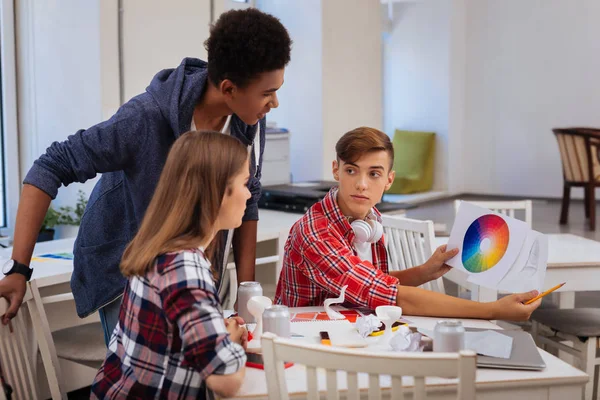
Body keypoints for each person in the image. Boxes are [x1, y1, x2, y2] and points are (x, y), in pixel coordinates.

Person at [0, 8, 292, 346]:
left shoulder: (248, 119)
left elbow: (249, 198)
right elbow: (50, 166)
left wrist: (246, 295)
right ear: (228, 88)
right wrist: (18, 269)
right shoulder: (142, 119)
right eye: (267, 92)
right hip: (127, 270)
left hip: (193, 268)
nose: (275, 102)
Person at [275, 127, 541, 321]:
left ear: (389, 180)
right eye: (351, 170)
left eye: (374, 173)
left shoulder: (370, 219)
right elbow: (388, 294)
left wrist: (424, 272)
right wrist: (492, 310)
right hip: (302, 341)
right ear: (336, 170)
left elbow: (373, 283)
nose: (361, 184)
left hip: (346, 330)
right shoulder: (315, 233)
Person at [92, 131, 250, 399]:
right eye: (244, 183)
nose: (248, 195)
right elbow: (226, 382)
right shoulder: (186, 268)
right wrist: (232, 343)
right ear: (219, 192)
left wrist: (216, 333)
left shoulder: (159, 247)